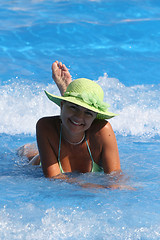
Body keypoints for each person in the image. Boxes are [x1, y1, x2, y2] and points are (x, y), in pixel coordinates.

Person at [18, 61, 122, 188]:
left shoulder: (102, 131)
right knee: (27, 152)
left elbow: (115, 177)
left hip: (66, 131)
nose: (79, 117)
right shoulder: (45, 126)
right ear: (61, 105)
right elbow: (53, 178)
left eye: (88, 113)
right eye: (74, 107)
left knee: (72, 120)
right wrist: (91, 187)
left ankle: (69, 98)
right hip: (37, 164)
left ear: (95, 117)